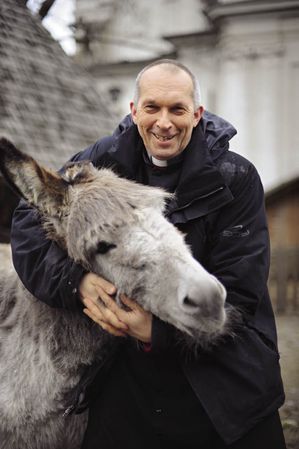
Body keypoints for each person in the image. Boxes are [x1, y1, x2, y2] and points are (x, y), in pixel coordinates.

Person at [11, 59, 286, 449]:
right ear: (134, 110)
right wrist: (77, 282)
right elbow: (32, 217)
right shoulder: (104, 159)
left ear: (197, 113)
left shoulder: (235, 177)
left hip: (216, 362)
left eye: (177, 109)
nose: (164, 122)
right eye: (152, 108)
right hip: (129, 366)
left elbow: (239, 290)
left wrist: (158, 332)